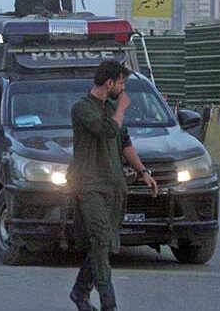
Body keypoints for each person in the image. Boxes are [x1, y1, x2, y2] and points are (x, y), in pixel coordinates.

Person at [68, 61, 157, 311]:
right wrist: (122, 110)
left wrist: (143, 171)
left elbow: (124, 141)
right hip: (90, 185)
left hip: (114, 187)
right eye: (121, 83)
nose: (123, 88)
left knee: (103, 244)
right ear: (109, 83)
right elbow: (106, 130)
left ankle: (79, 292)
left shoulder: (112, 108)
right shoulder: (82, 109)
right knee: (100, 239)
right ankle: (110, 305)